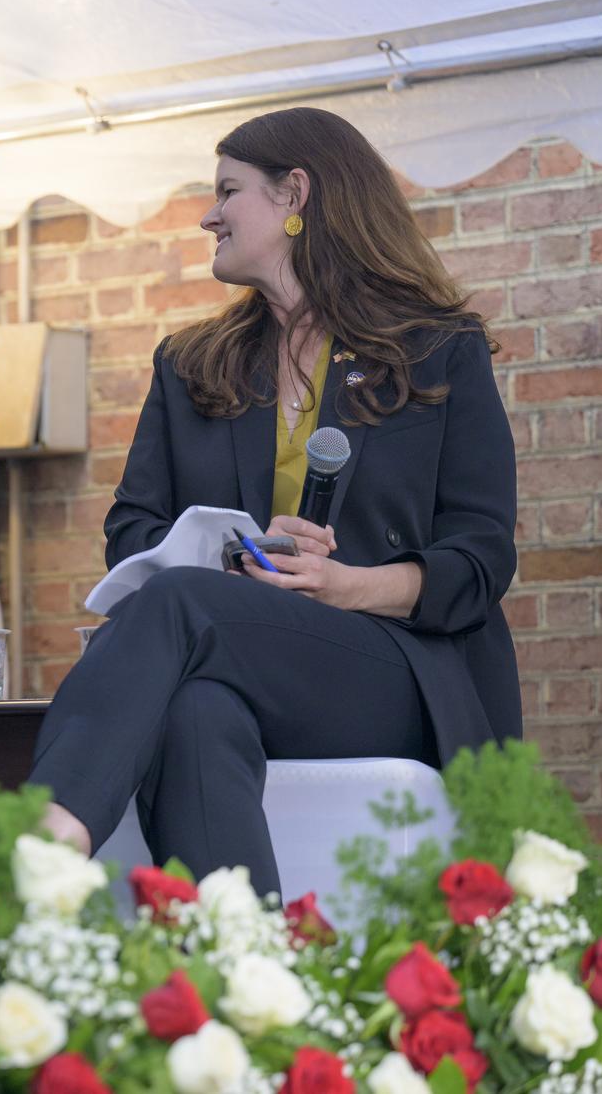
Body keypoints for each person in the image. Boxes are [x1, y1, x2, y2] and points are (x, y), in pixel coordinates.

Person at [28, 107, 519, 896]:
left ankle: (40, 853)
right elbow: (132, 534)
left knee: (185, 607)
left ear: (296, 194)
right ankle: (243, 971)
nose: (206, 214)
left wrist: (348, 583)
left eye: (227, 191)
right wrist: (238, 556)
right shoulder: (190, 364)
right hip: (239, 651)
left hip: (394, 672)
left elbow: (481, 558)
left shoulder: (439, 350)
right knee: (196, 711)